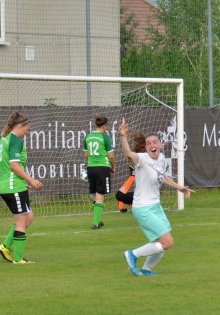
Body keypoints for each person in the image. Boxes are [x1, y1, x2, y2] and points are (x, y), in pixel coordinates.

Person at [119, 117, 194, 276]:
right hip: (143, 208)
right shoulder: (142, 159)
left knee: (159, 242)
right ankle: (132, 254)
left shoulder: (161, 158)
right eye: (148, 143)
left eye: (155, 142)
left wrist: (180, 188)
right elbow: (128, 153)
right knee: (167, 242)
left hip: (155, 206)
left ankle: (146, 270)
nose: (152, 145)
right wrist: (123, 135)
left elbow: (164, 177)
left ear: (160, 144)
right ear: (145, 148)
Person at [0, 112, 43, 264]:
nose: (28, 133)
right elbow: (14, 165)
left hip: (12, 185)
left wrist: (24, 183)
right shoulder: (15, 140)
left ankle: (5, 246)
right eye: (28, 130)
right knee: (22, 220)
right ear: (20, 126)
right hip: (12, 187)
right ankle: (18, 259)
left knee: (28, 217)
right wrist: (31, 179)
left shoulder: (6, 138)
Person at [83, 114, 116, 229]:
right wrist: (113, 166)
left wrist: (93, 161)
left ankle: (98, 220)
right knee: (100, 195)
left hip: (91, 168)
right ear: (104, 126)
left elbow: (86, 154)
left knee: (95, 194)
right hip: (102, 167)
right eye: (107, 126)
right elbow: (111, 156)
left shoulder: (88, 136)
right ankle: (96, 223)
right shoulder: (105, 136)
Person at [115, 132, 146, 212]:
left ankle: (130, 206)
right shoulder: (150, 158)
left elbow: (128, 154)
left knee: (120, 195)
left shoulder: (138, 158)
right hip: (147, 194)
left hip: (145, 195)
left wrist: (123, 136)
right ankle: (134, 205)